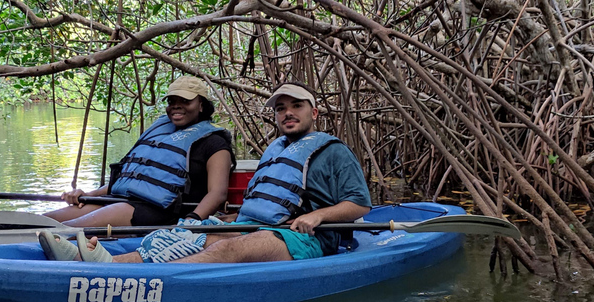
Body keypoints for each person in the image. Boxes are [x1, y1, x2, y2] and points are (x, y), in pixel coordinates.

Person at [39, 81, 371, 263]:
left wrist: (318, 216)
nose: (287, 113)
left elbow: (360, 205)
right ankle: (102, 266)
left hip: (306, 239)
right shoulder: (277, 148)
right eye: (281, 108)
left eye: (296, 106)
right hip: (258, 228)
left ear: (313, 111)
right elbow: (263, 205)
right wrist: (226, 220)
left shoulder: (333, 151)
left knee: (225, 249)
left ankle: (144, 283)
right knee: (182, 237)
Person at [44, 76, 235, 229]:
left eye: (185, 101)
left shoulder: (214, 144)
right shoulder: (161, 132)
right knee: (45, 220)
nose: (176, 106)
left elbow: (217, 194)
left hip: (162, 211)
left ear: (201, 105)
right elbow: (130, 178)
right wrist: (87, 194)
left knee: (65, 229)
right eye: (171, 101)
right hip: (122, 200)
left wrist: (190, 222)